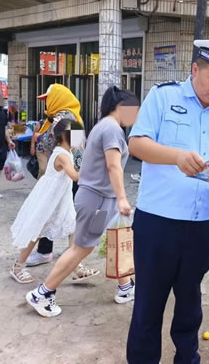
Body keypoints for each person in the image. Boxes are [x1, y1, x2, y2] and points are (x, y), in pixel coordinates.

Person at [126, 40, 209, 364]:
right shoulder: (163, 97)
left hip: (201, 226)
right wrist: (176, 157)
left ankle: (187, 358)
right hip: (158, 223)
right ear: (195, 69)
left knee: (190, 304)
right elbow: (136, 144)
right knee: (148, 305)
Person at [25, 86, 140, 317]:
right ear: (120, 107)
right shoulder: (111, 129)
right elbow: (113, 165)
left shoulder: (102, 126)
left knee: (111, 240)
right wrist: (122, 198)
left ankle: (126, 286)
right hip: (97, 198)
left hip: (98, 197)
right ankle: (42, 293)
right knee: (81, 247)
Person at [10, 119, 80, 284]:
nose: (79, 136)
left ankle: (77, 266)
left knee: (73, 226)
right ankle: (17, 267)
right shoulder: (62, 155)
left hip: (61, 198)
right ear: (64, 136)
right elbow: (75, 176)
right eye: (75, 132)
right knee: (37, 231)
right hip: (49, 198)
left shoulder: (67, 152)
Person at [26, 84, 85, 267]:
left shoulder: (64, 118)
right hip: (66, 172)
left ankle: (45, 252)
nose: (46, 104)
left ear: (58, 98)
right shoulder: (66, 116)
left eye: (48, 99)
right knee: (64, 213)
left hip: (64, 175)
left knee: (49, 212)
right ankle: (71, 257)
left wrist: (38, 137)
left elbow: (57, 143)